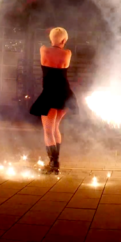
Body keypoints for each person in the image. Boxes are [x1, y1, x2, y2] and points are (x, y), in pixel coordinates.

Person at [29, 27, 78, 174]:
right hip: (64, 94)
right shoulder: (67, 53)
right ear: (64, 40)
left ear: (50, 39)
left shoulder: (44, 50)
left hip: (50, 94)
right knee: (55, 127)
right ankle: (55, 163)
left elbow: (51, 47)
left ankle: (53, 165)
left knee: (48, 131)